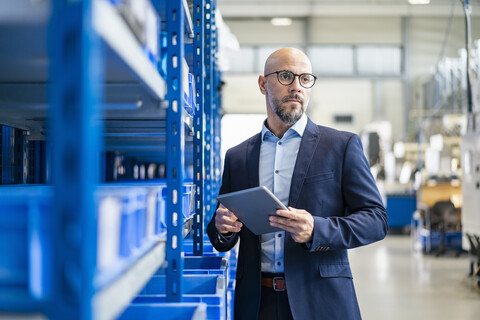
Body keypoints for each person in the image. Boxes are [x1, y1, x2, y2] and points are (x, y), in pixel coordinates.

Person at [207, 47, 388, 320]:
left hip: (322, 300)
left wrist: (318, 228)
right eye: (285, 76)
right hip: (258, 304)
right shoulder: (238, 157)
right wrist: (223, 228)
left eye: (305, 79)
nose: (296, 87)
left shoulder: (341, 146)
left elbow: (376, 219)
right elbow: (220, 236)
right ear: (262, 83)